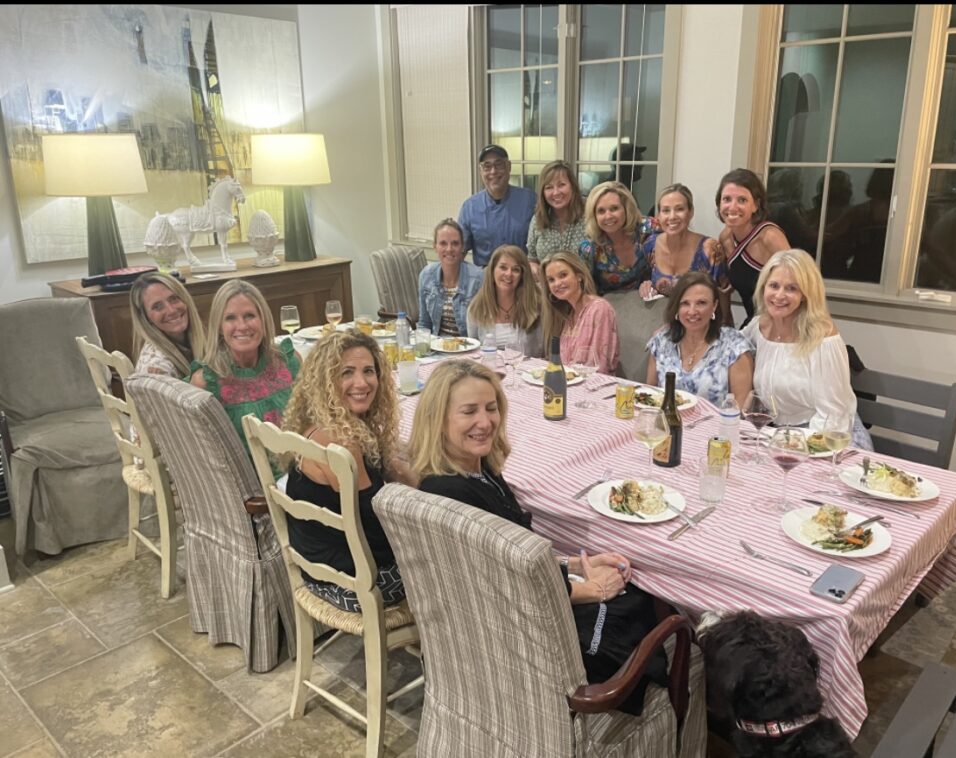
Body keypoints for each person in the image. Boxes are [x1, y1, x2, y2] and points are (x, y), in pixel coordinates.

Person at [409, 360, 668, 716]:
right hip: (522, 642)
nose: (485, 422)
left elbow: (515, 554)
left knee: (635, 594)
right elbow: (506, 588)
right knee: (647, 604)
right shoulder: (453, 496)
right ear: (437, 420)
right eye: (469, 411)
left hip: (519, 612)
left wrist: (579, 564)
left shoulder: (475, 472)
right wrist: (591, 590)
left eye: (491, 408)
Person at [281, 331, 413, 613]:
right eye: (347, 373)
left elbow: (388, 471)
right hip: (353, 582)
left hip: (320, 563)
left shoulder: (320, 423)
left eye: (368, 371)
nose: (361, 383)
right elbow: (374, 529)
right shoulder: (342, 441)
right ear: (325, 382)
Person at [740, 249, 872, 449]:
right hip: (777, 435)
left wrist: (797, 444)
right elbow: (730, 348)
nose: (779, 295)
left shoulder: (822, 336)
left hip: (826, 436)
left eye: (792, 288)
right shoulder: (758, 326)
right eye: (774, 285)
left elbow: (835, 413)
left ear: (805, 295)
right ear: (763, 287)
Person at [190, 280, 300, 450]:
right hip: (250, 475)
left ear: (263, 320)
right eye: (230, 318)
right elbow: (203, 451)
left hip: (303, 464)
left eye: (249, 315)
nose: (242, 326)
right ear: (219, 327)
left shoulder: (289, 361)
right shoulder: (206, 382)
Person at [646, 272, 753, 407]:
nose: (692, 311)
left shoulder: (735, 346)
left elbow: (742, 411)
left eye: (701, 303)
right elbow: (650, 400)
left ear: (714, 306)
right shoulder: (661, 341)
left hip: (718, 427)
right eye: (685, 303)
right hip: (666, 425)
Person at [640, 183, 732, 317]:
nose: (672, 216)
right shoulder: (650, 245)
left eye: (679, 209)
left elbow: (723, 300)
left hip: (703, 325)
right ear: (658, 215)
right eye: (666, 210)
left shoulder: (711, 249)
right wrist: (646, 285)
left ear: (690, 212)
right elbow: (647, 279)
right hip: (663, 322)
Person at [716, 168, 791, 324]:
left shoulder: (770, 237)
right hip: (753, 322)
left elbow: (799, 285)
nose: (732, 207)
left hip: (783, 323)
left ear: (756, 205)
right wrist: (726, 318)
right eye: (727, 199)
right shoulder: (725, 238)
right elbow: (724, 285)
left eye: (742, 200)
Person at [458, 144, 537, 267]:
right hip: (485, 279)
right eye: (487, 166)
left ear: (509, 167)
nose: (493, 171)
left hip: (522, 277)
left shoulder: (529, 201)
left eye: (499, 164)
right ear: (480, 171)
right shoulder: (470, 207)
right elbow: (459, 251)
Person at [541, 251, 619, 374]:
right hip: (568, 385)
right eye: (551, 280)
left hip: (595, 389)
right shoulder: (568, 314)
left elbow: (599, 367)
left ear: (579, 276)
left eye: (563, 275)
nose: (557, 283)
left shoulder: (600, 309)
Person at [578, 181, 657, 294]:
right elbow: (586, 292)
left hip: (651, 303)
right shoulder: (589, 248)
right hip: (611, 307)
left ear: (626, 209)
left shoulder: (649, 228)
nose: (608, 216)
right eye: (601, 211)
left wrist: (653, 281)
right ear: (594, 216)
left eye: (614, 208)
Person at [467, 244, 543, 357]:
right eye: (503, 267)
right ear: (492, 270)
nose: (508, 274)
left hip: (527, 372)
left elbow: (545, 352)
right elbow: (473, 352)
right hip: (489, 370)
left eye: (516, 270)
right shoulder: (476, 308)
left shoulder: (536, 305)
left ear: (522, 275)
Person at [129, 272, 205, 378]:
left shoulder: (196, 341)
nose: (171, 310)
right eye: (157, 307)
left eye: (174, 299)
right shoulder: (157, 368)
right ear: (146, 318)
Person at [417, 218, 484, 337]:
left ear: (462, 246)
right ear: (435, 246)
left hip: (469, 348)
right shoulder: (426, 276)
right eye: (443, 243)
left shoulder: (478, 278)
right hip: (437, 348)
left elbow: (485, 327)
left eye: (455, 243)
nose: (449, 249)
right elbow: (424, 324)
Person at [526, 160, 587, 272]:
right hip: (548, 286)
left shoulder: (589, 217)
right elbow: (532, 258)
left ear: (572, 187)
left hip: (585, 286)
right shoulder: (537, 220)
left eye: (561, 185)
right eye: (549, 187)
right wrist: (533, 267)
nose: (556, 192)